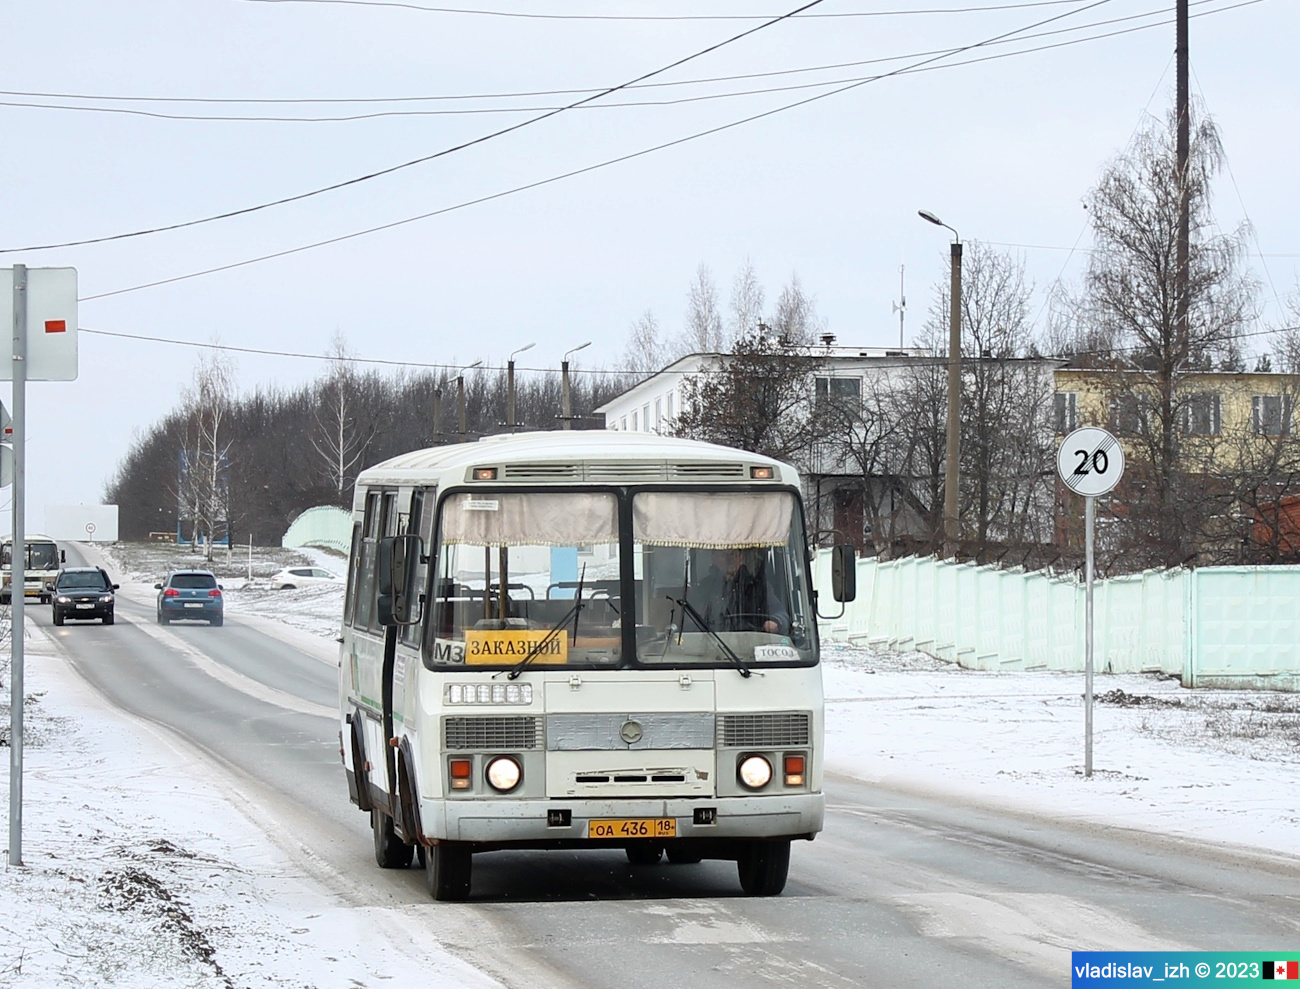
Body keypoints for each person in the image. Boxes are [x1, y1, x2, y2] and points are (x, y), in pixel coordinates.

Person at [689, 547, 789, 634]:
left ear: (741, 558)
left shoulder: (757, 586)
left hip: (752, 643)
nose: (729, 559)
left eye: (733, 555)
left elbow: (782, 615)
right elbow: (691, 623)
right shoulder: (702, 590)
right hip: (712, 645)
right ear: (714, 559)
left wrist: (775, 622)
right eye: (724, 555)